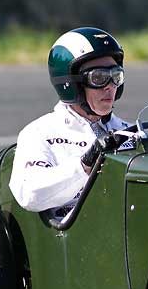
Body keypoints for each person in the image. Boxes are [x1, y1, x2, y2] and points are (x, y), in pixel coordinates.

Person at [9, 27, 133, 216]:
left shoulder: (129, 132)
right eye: (98, 78)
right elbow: (29, 193)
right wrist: (83, 166)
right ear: (71, 84)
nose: (110, 86)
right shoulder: (39, 133)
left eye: (116, 76)